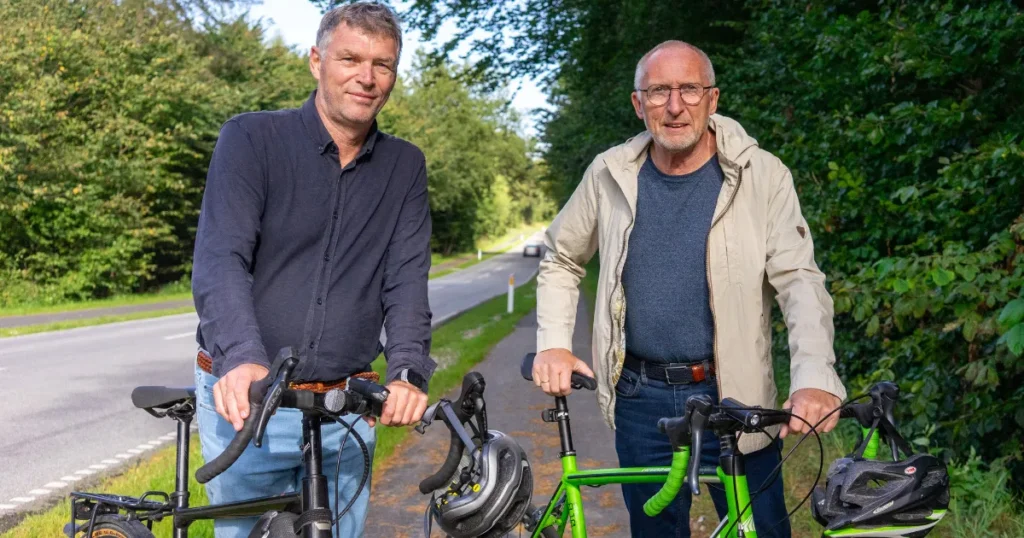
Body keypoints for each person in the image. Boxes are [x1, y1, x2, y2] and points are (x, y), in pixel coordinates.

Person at [532, 40, 847, 537]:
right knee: (656, 530)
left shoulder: (762, 175)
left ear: (713, 99)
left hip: (735, 396)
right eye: (658, 92)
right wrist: (552, 342)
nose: (675, 106)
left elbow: (799, 282)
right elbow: (562, 256)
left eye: (689, 90)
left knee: (761, 529)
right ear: (639, 104)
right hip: (641, 397)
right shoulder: (609, 173)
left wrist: (813, 377)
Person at [190, 3, 433, 536]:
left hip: (347, 408)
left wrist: (409, 371)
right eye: (350, 58)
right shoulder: (251, 139)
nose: (366, 78)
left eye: (383, 65)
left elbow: (407, 278)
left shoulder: (405, 165)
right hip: (251, 403)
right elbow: (219, 259)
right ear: (316, 60)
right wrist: (243, 357)